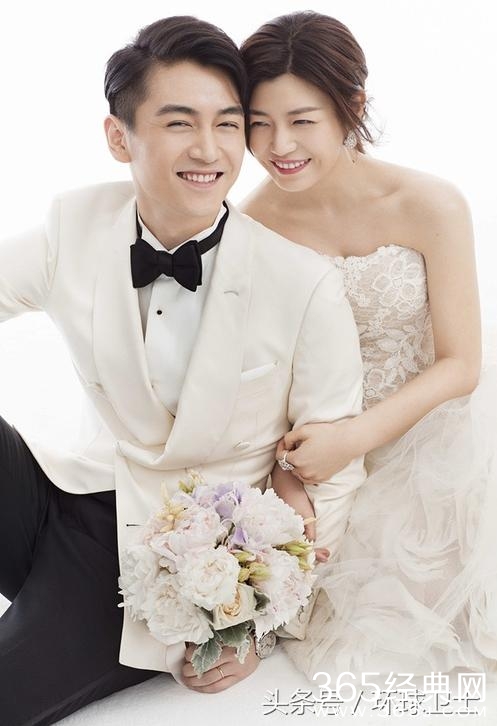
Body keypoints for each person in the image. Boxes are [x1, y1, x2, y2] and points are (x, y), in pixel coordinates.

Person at [0, 14, 367, 725]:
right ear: (119, 137)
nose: (209, 149)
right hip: (61, 497)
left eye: (227, 124)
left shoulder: (301, 285)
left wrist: (255, 622)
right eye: (178, 123)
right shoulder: (75, 228)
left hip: (161, 563)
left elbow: (334, 471)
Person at [240, 10, 497, 679]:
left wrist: (353, 438)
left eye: (301, 120)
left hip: (435, 427)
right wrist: (286, 471)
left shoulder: (429, 203)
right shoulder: (250, 226)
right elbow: (262, 372)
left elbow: (462, 364)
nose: (277, 145)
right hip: (321, 440)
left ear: (351, 108)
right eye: (258, 123)